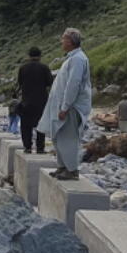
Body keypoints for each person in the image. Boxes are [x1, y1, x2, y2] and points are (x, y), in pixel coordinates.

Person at [38, 28, 92, 180]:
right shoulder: (72, 58)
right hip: (63, 107)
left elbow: (73, 84)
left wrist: (65, 107)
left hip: (71, 107)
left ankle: (72, 170)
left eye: (63, 38)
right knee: (59, 137)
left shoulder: (78, 59)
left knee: (69, 138)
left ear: (70, 41)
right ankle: (62, 167)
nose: (61, 41)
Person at [17, 46, 53, 154]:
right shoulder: (44, 68)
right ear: (40, 56)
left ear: (29, 56)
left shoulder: (23, 68)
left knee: (26, 125)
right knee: (40, 125)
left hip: (26, 101)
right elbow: (49, 82)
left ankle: (27, 147)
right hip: (41, 102)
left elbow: (19, 83)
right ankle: (40, 148)